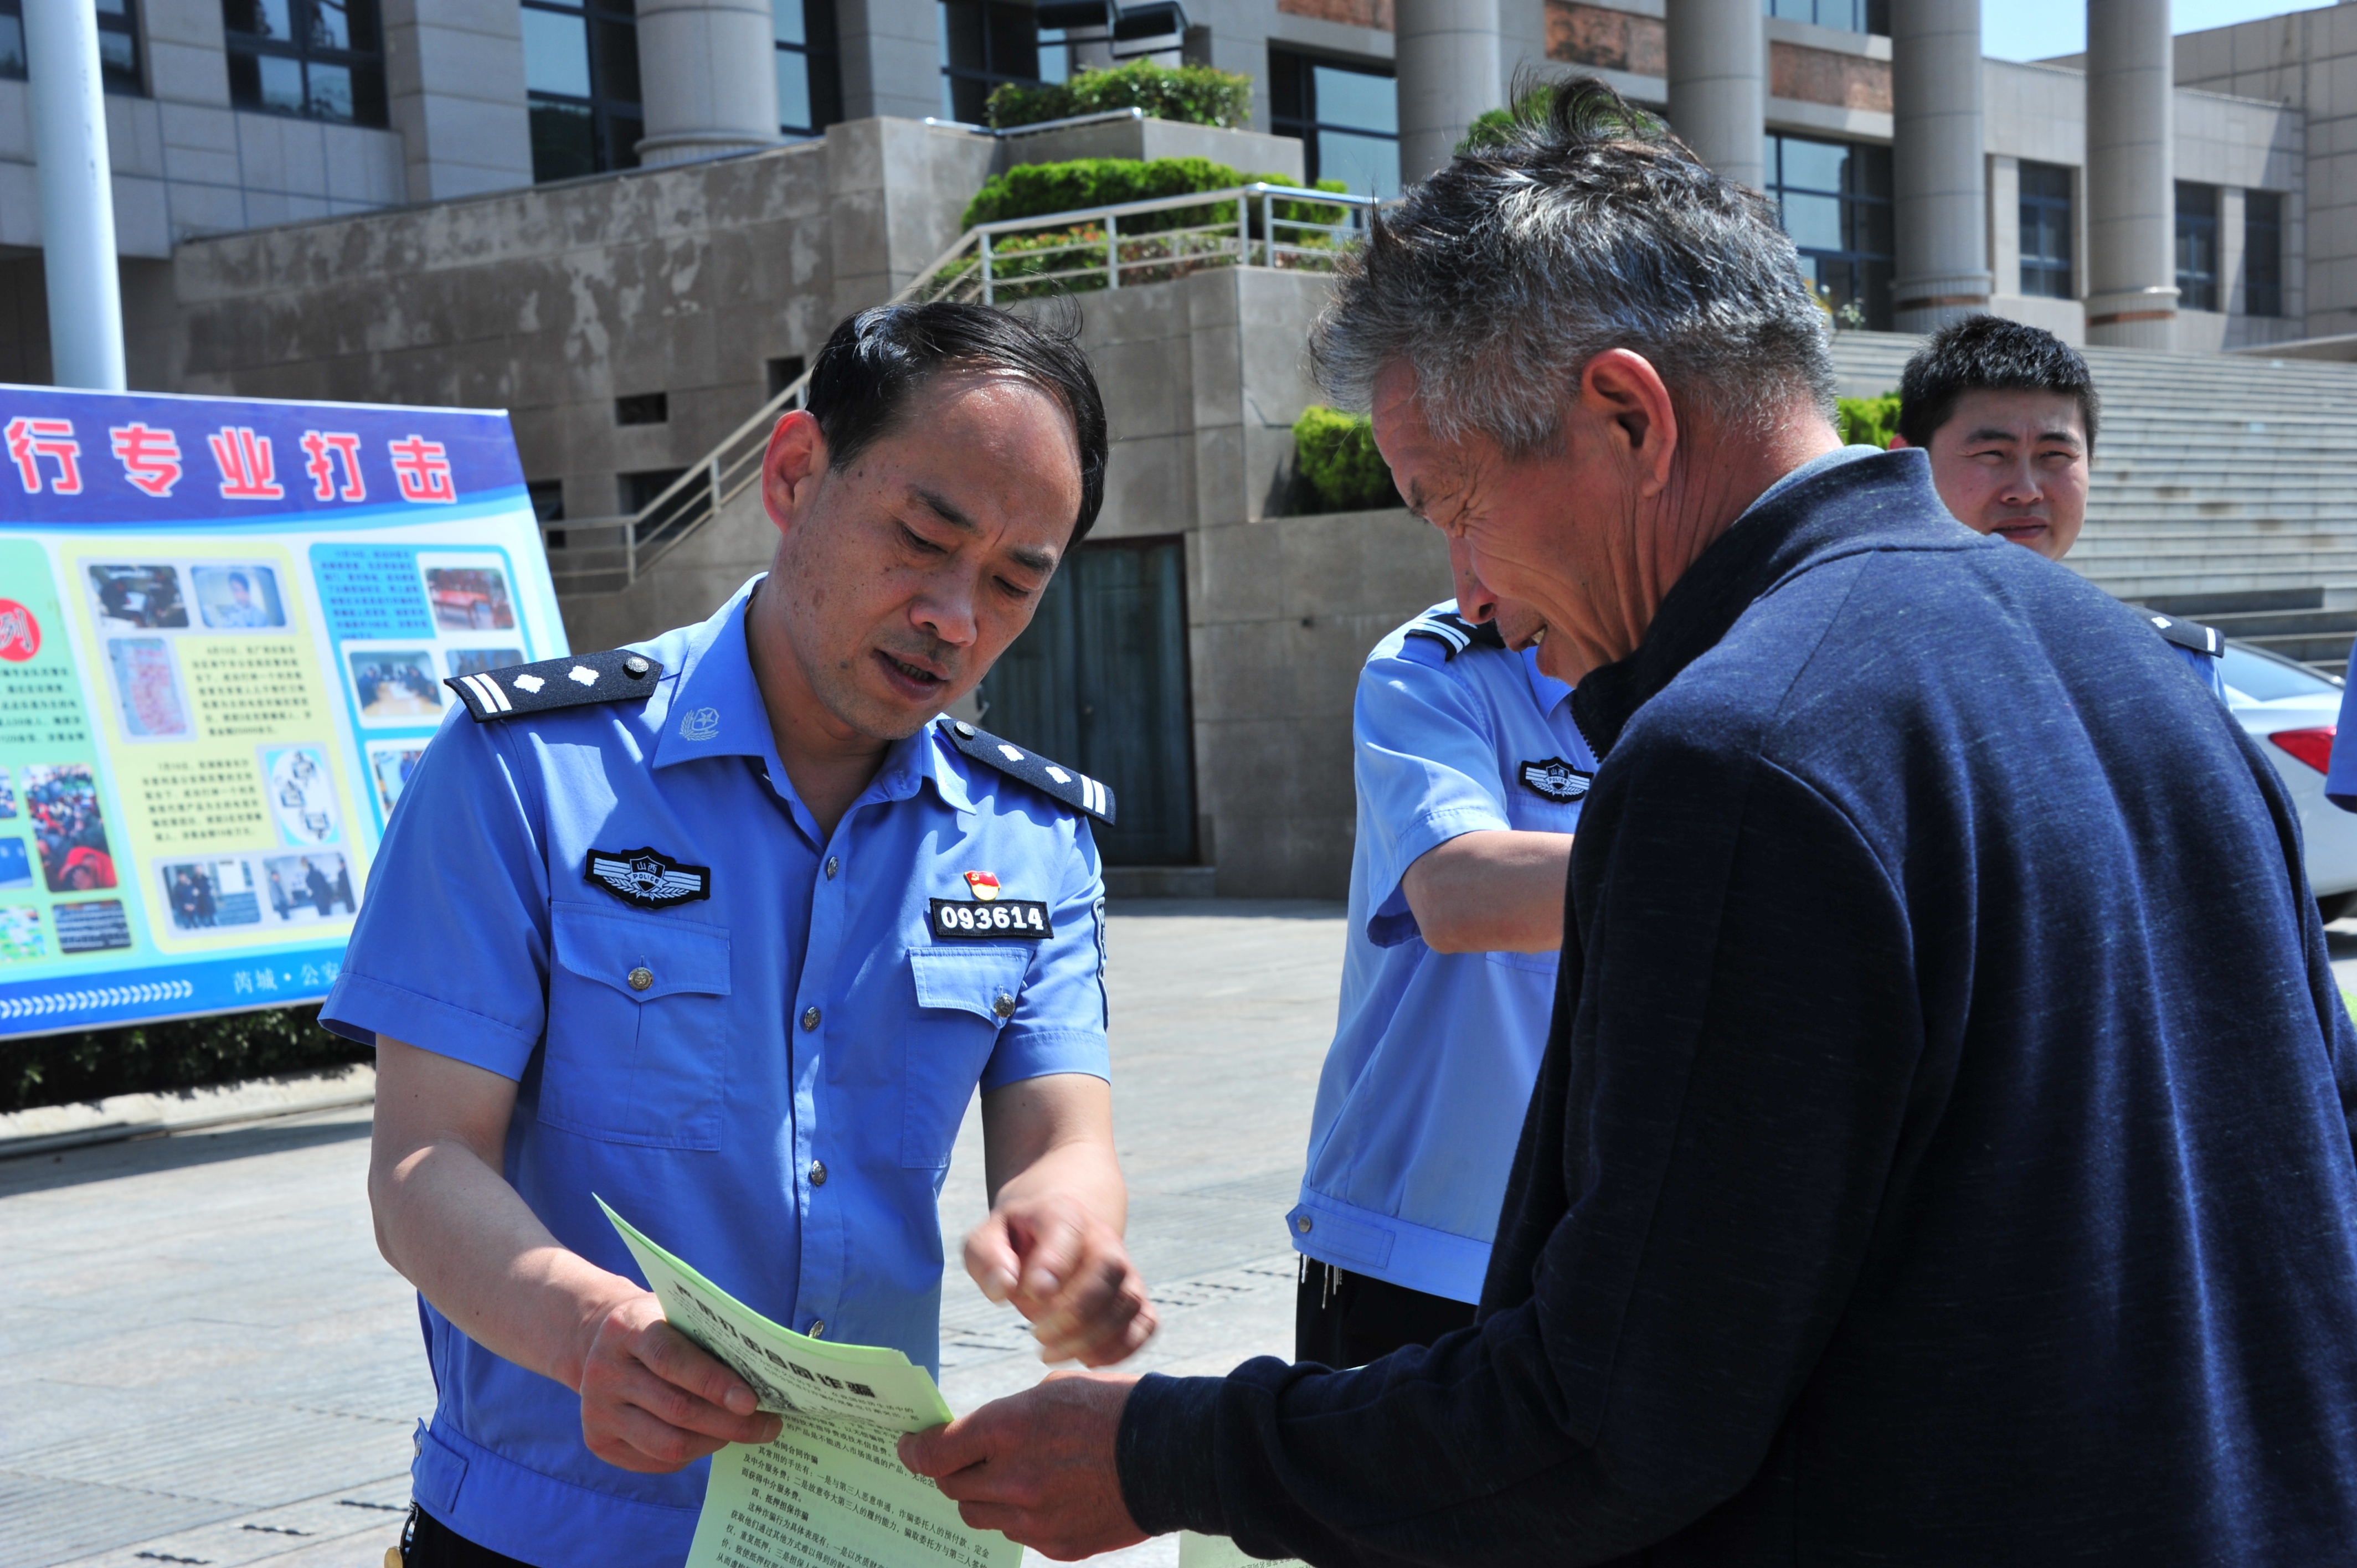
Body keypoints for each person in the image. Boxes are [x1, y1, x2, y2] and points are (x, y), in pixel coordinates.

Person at [897, 79, 2357, 1564]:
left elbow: (1616, 1420)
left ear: (1624, 415)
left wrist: (1168, 1451)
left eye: (1452, 501)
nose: (1465, 589)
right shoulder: (2159, 688)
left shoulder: (1744, 753)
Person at [326, 301, 1157, 1567]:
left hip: (848, 1531)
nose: (952, 615)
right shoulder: (528, 773)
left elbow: (1063, 1139)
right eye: (922, 540)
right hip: (549, 1532)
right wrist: (589, 1330)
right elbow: (423, 1163)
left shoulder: (1029, 836)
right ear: (791, 474)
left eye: (1009, 581)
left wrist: (1068, 1239)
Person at [1290, 543, 1592, 1369]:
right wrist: (1728, 852)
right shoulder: (1432, 671)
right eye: (1446, 530)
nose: (1469, 588)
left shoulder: (1709, 670)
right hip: (1417, 1251)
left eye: (1483, 523)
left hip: (1608, 1255)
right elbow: (1459, 895)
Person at [1888, 314, 2227, 700]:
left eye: (2054, 454)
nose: (2027, 491)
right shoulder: (1859, 656)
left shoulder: (2174, 666)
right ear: (1909, 463)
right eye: (1992, 453)